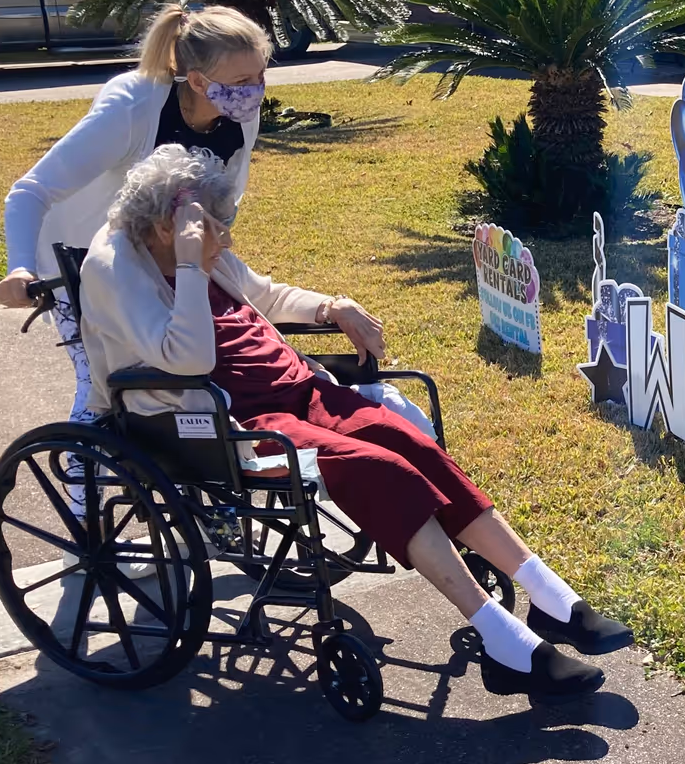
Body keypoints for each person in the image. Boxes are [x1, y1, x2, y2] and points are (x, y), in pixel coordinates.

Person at [78, 144, 627, 700]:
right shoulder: (116, 267)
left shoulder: (204, 250)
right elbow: (189, 358)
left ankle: (552, 597)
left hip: (300, 388)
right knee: (376, 468)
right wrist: (194, 265)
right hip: (229, 420)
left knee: (406, 441)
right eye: (216, 226)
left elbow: (263, 293)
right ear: (170, 228)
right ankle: (503, 641)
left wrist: (331, 307)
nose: (227, 238)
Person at [0, 3, 271, 425]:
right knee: (104, 387)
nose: (254, 91)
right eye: (241, 81)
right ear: (197, 80)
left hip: (161, 258)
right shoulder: (132, 106)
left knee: (181, 377)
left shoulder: (237, 115)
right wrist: (20, 269)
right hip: (85, 260)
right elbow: (31, 191)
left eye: (259, 77)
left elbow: (224, 201)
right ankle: (83, 489)